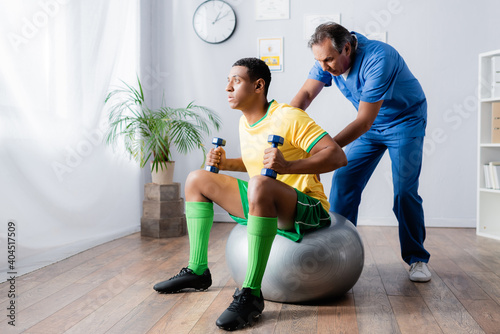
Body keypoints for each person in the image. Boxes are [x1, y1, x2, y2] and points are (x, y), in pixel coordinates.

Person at [153, 57, 347, 330]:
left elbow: (337, 156)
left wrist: (288, 166)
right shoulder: (246, 122)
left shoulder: (288, 116)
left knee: (259, 184)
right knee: (197, 178)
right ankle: (197, 271)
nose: (228, 88)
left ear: (258, 86)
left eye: (236, 81)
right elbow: (257, 164)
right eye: (228, 81)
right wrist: (226, 164)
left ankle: (252, 294)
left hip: (307, 207)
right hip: (266, 197)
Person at [290, 22, 431, 282]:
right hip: (371, 125)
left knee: (404, 191)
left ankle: (417, 259)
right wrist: (284, 130)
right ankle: (338, 251)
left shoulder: (380, 58)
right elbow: (305, 95)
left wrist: (325, 148)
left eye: (329, 60)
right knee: (344, 180)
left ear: (347, 48)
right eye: (319, 61)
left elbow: (363, 121)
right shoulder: (326, 57)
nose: (324, 67)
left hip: (405, 122)